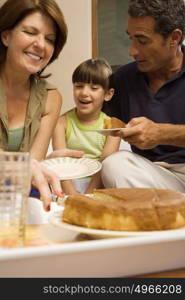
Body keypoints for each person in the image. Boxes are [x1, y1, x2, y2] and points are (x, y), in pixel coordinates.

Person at [102, 0, 185, 192]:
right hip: (153, 176)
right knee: (115, 164)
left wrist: (161, 133)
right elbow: (108, 123)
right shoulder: (124, 78)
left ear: (174, 38)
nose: (132, 51)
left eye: (142, 40)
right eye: (131, 39)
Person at [0, 0, 67, 161]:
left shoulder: (51, 98)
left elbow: (34, 165)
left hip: (18, 185)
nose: (41, 45)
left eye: (50, 39)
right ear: (6, 36)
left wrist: (50, 162)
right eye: (30, 32)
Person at [51, 58, 121, 194]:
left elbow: (105, 165)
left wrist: (89, 195)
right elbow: (60, 164)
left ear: (108, 94)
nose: (84, 93)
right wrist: (73, 195)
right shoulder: (61, 123)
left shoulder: (111, 126)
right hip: (66, 183)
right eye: (79, 86)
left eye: (94, 88)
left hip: (98, 185)